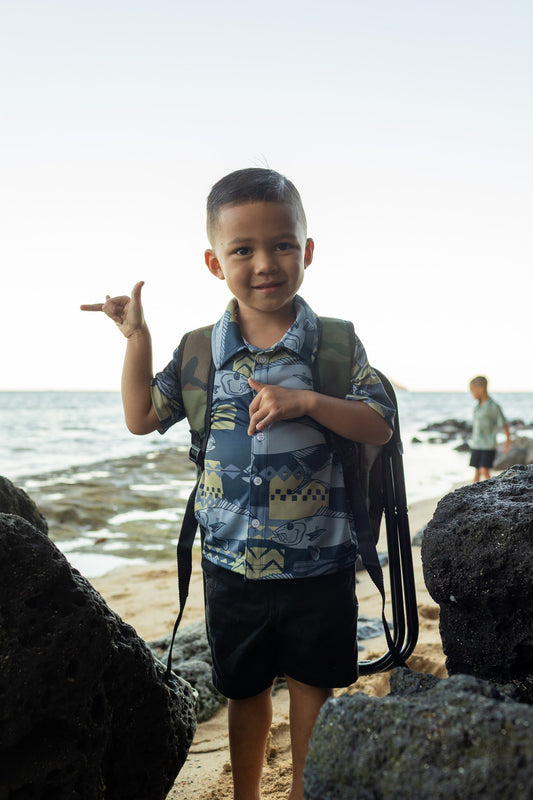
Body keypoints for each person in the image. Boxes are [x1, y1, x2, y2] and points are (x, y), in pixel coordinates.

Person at [81, 167, 395, 800]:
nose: (265, 263)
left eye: (282, 245)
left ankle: (304, 790)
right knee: (243, 691)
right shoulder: (199, 351)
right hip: (230, 566)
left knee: (312, 687)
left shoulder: (335, 344)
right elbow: (141, 417)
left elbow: (378, 424)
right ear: (214, 262)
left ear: (307, 250)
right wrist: (136, 336)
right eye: (243, 250)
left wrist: (306, 401)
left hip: (320, 562)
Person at [469, 375, 512, 482]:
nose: (472, 394)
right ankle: (472, 491)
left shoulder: (493, 406)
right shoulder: (477, 407)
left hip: (488, 445)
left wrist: (508, 442)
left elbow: (504, 423)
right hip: (476, 444)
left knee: (484, 470)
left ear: (481, 389)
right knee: (477, 471)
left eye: (473, 390)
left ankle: (493, 488)